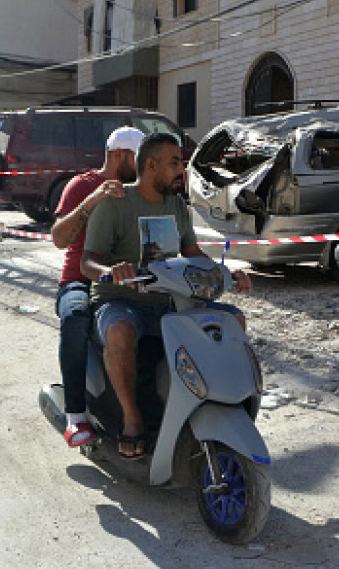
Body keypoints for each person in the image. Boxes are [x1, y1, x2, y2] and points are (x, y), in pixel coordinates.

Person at [81, 132, 253, 460]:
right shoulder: (114, 203)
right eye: (174, 163)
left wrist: (227, 274)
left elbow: (193, 253)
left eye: (182, 163)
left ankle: (215, 402)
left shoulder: (176, 206)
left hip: (170, 301)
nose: (181, 169)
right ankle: (132, 419)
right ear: (150, 165)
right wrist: (112, 269)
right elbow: (86, 262)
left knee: (233, 320)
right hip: (120, 301)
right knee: (119, 331)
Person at [50, 126, 144, 448]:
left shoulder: (140, 190)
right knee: (76, 317)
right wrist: (92, 200)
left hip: (125, 281)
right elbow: (59, 239)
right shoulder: (83, 185)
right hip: (79, 279)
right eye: (139, 158)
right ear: (120, 155)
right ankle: (75, 415)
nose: (144, 165)